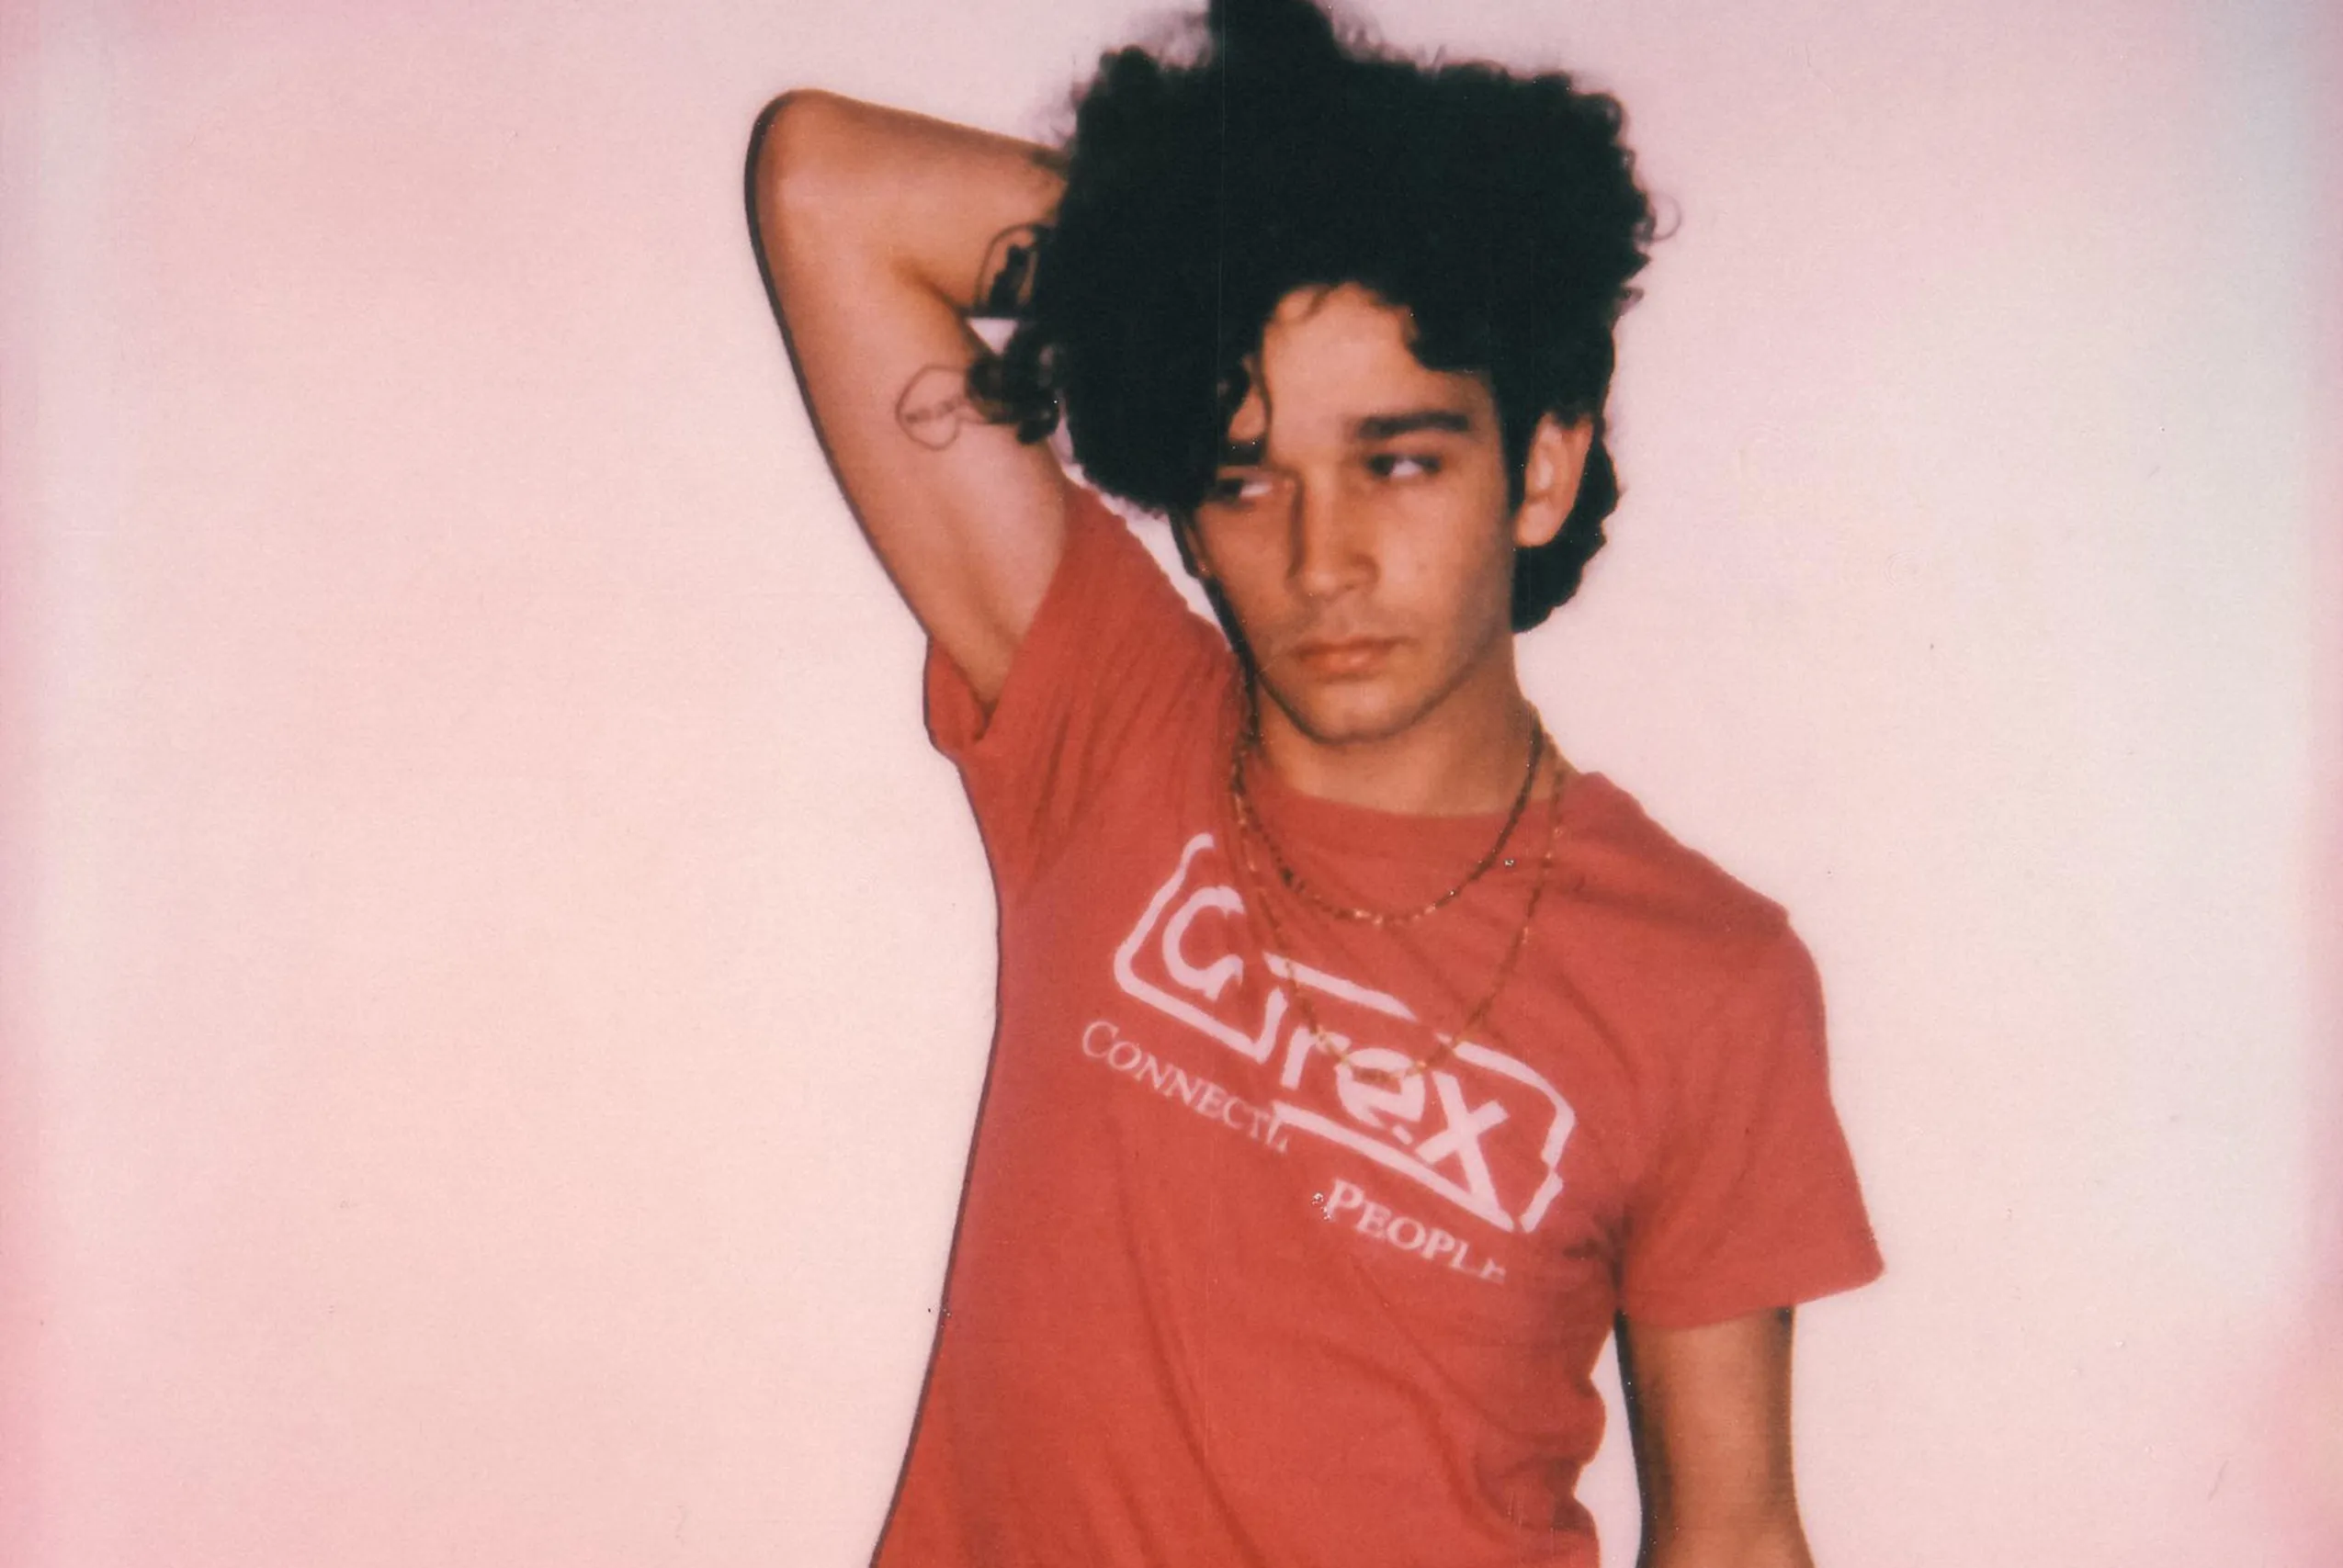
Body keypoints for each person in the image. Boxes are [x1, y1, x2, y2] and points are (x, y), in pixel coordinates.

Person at [747, 0, 1882, 1562]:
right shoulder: (1110, 726)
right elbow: (824, 183)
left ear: (1539, 467)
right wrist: (1194, 277)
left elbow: (1735, 1533)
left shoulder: (1710, 978)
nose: (1321, 555)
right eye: (1246, 475)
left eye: (1396, 460)